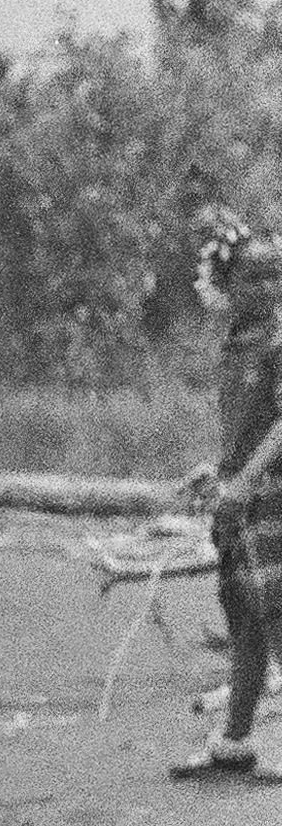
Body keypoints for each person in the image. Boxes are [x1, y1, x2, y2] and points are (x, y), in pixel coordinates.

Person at [175, 214, 282, 780]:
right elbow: (247, 426)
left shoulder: (278, 341)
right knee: (244, 621)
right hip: (241, 501)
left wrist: (244, 482)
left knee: (279, 616)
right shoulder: (236, 348)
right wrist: (217, 470)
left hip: (273, 499)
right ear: (229, 284)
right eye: (254, 280)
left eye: (274, 279)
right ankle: (234, 743)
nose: (266, 290)